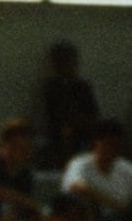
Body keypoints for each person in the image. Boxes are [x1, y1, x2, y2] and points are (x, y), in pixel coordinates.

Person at [61, 118, 132, 221]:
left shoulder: (126, 169)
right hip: (90, 219)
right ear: (97, 142)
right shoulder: (80, 164)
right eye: (108, 144)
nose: (112, 150)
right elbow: (76, 187)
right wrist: (115, 205)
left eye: (116, 145)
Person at [42, 40, 100, 170]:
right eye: (62, 62)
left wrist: (82, 123)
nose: (67, 66)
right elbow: (53, 112)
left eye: (69, 62)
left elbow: (93, 112)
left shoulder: (83, 86)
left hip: (82, 130)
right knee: (64, 135)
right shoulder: (52, 86)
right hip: (59, 132)